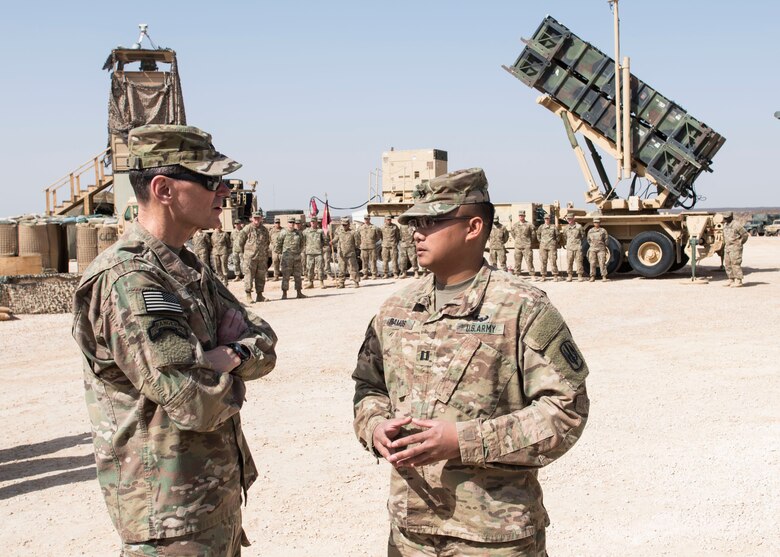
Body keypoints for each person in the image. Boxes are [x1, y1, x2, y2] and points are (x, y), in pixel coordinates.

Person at [352, 168, 589, 557]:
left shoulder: (522, 308)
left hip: (494, 537)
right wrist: (375, 427)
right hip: (410, 533)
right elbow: (368, 387)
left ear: (473, 226)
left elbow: (566, 412)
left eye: (431, 221)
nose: (417, 231)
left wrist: (462, 441)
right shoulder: (396, 309)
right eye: (414, 222)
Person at [72, 124, 278, 556]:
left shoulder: (186, 267)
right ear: (164, 189)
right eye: (210, 181)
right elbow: (195, 402)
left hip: (209, 502)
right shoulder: (129, 280)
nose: (224, 191)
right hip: (168, 518)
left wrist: (228, 356)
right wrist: (219, 365)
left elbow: (265, 344)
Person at [235, 210, 271, 303]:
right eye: (255, 218)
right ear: (252, 219)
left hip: (261, 258)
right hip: (250, 258)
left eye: (258, 218)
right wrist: (245, 254)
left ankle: (260, 295)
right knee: (249, 276)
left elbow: (267, 242)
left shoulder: (264, 230)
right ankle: (248, 295)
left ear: (261, 218)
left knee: (261, 277)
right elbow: (240, 242)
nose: (257, 220)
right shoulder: (247, 229)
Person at [276, 216, 306, 299]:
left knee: (298, 275)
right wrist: (281, 253)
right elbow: (278, 243)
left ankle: (299, 292)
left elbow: (302, 243)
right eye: (290, 222)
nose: (291, 224)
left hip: (296, 258)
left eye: (293, 223)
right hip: (286, 258)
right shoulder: (283, 232)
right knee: (286, 276)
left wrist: (298, 252)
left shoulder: (298, 233)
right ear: (287, 223)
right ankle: (284, 293)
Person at [721, 211, 749, 287]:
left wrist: (740, 243)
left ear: (731, 217)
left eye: (726, 218)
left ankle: (738, 280)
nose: (725, 219)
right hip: (727, 247)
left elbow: (745, 235)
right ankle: (731, 279)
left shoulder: (736, 225)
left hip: (735, 247)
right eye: (724, 218)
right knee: (727, 264)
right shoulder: (726, 225)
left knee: (735, 263)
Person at [334, 216, 360, 288]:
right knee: (341, 269)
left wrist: (355, 248)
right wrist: (332, 242)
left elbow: (357, 242)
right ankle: (341, 283)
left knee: (353, 268)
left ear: (348, 224)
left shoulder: (353, 232)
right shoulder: (339, 231)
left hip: (350, 253)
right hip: (341, 253)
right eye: (343, 225)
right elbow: (336, 239)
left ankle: (356, 282)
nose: (344, 226)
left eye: (345, 225)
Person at [303, 215, 328, 288]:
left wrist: (323, 248)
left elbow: (325, 241)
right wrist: (305, 248)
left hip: (318, 253)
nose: (313, 223)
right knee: (310, 268)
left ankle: (321, 282)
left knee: (320, 268)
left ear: (317, 223)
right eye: (312, 222)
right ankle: (310, 282)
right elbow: (303, 241)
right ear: (310, 223)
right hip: (309, 253)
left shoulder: (320, 231)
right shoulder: (306, 231)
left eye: (314, 222)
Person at [511, 209, 536, 278]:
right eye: (520, 216)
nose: (521, 217)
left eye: (522, 216)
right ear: (518, 216)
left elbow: (533, 235)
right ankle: (517, 274)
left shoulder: (529, 225)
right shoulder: (515, 225)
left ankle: (532, 275)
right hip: (518, 246)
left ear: (524, 216)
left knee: (529, 261)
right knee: (517, 261)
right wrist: (517, 240)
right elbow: (513, 234)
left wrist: (529, 242)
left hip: (527, 246)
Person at [563, 212, 585, 282]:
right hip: (569, 248)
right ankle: (570, 276)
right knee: (569, 262)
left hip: (577, 247)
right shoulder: (566, 228)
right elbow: (565, 237)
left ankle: (580, 275)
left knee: (579, 262)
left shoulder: (579, 227)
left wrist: (578, 243)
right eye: (568, 219)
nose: (569, 220)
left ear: (573, 218)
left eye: (570, 218)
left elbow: (583, 236)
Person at [537, 213, 560, 281]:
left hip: (551, 247)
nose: (547, 220)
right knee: (543, 261)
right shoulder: (541, 227)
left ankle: (555, 275)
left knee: (553, 261)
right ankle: (543, 275)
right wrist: (541, 241)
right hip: (543, 247)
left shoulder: (553, 227)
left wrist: (554, 242)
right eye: (545, 219)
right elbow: (538, 235)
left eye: (548, 219)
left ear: (550, 219)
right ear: (544, 219)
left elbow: (558, 236)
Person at [587, 217, 609, 282]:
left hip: (601, 249)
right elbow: (588, 240)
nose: (596, 223)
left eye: (597, 222)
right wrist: (592, 245)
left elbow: (606, 239)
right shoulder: (590, 231)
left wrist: (604, 246)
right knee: (592, 263)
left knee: (602, 262)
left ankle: (604, 276)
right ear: (593, 223)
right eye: (595, 222)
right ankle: (592, 276)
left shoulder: (603, 231)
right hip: (592, 249)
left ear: (599, 223)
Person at [358, 215, 380, 279]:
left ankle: (374, 274)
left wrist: (373, 241)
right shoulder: (360, 228)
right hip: (363, 247)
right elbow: (358, 236)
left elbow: (378, 236)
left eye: (367, 219)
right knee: (364, 261)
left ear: (369, 219)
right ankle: (365, 274)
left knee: (373, 261)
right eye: (365, 219)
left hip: (372, 247)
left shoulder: (374, 227)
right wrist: (361, 243)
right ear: (364, 219)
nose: (366, 220)